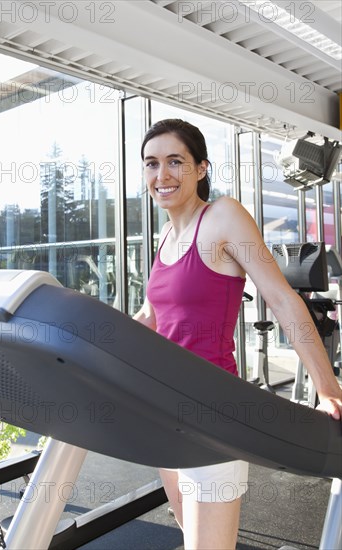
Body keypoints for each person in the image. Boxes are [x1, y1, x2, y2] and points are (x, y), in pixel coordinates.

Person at [133, 118, 342, 550]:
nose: (162, 175)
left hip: (213, 413)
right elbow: (151, 318)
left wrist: (327, 388)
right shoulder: (166, 237)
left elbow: (283, 300)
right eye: (152, 164)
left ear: (201, 169)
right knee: (193, 537)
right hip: (162, 414)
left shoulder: (223, 216)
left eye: (176, 161)